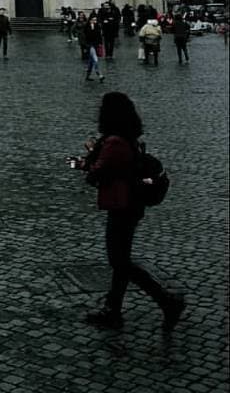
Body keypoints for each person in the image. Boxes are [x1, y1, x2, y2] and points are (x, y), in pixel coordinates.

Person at [76, 92, 185, 330]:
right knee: (120, 260)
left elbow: (96, 173)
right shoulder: (128, 137)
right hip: (129, 204)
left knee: (120, 261)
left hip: (122, 204)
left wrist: (87, 161)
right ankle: (113, 309)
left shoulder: (115, 142)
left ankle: (166, 301)